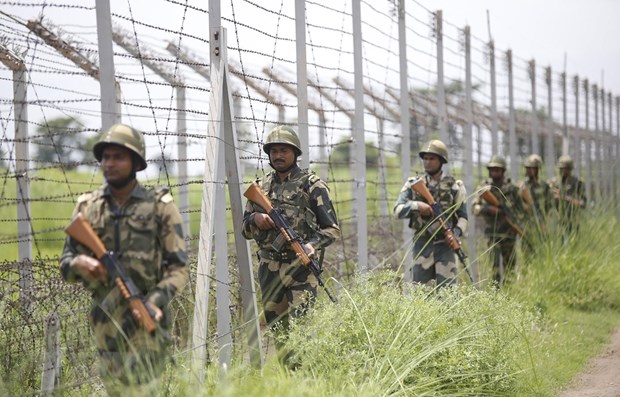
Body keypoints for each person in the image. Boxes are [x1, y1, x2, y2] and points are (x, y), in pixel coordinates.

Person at [59, 124, 189, 395]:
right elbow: (66, 263)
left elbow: (177, 267)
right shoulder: (87, 207)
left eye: (118, 157)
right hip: (106, 321)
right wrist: (79, 265)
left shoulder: (159, 206)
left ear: (135, 162)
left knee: (147, 389)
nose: (109, 163)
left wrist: (154, 303)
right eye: (105, 157)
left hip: (146, 318)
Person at [241, 125, 340, 348]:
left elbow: (331, 229)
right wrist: (257, 220)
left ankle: (304, 378)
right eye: (274, 151)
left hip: (301, 268)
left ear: (295, 153)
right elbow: (244, 229)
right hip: (270, 269)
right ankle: (287, 377)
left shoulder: (312, 185)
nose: (278, 156)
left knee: (301, 332)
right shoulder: (260, 188)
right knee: (278, 332)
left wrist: (312, 246)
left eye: (284, 150)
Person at [393, 139, 467, 288]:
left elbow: (463, 217)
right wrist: (417, 206)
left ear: (441, 161)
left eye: (432, 158)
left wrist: (455, 233)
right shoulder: (413, 184)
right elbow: (398, 210)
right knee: (421, 295)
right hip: (422, 245)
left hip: (445, 247)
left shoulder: (455, 187)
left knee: (448, 296)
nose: (427, 162)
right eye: (425, 158)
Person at [472, 155, 525, 285]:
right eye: (492, 169)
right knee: (494, 267)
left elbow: (521, 210)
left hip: (509, 234)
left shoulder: (512, 189)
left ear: (503, 171)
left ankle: (510, 294)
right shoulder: (484, 188)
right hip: (492, 234)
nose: (495, 172)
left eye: (498, 170)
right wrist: (488, 209)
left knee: (510, 268)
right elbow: (474, 208)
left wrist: (516, 222)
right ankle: (496, 296)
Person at [519, 154, 553, 255]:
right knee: (527, 252)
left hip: (542, 223)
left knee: (543, 251)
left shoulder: (544, 186)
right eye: (527, 168)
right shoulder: (522, 186)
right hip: (527, 224)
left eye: (531, 168)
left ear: (538, 169)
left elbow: (549, 206)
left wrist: (547, 222)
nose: (528, 171)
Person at [549, 155, 586, 236]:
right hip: (557, 222)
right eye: (561, 169)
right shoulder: (554, 183)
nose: (563, 171)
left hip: (573, 220)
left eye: (566, 169)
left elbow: (582, 204)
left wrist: (564, 198)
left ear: (570, 169)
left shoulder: (577, 183)